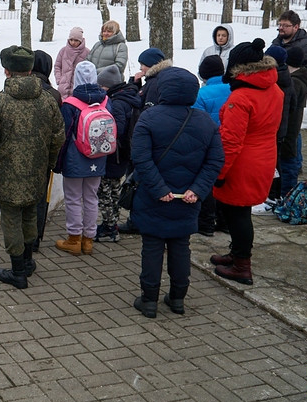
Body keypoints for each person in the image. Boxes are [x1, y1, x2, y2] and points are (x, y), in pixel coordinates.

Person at [128, 68, 224, 318]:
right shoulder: (206, 122)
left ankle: (149, 300)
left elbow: (141, 159)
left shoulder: (148, 118)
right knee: (181, 247)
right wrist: (198, 190)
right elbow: (215, 161)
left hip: (153, 197)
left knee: (152, 247)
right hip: (187, 199)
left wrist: (159, 189)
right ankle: (178, 298)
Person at [0, 46, 65, 290]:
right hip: (38, 173)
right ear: (29, 69)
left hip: (6, 175)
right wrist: (50, 164)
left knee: (12, 219)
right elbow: (58, 136)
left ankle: (17, 272)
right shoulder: (48, 100)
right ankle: (27, 262)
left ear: (7, 70)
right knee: (30, 214)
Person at [211, 39, 284, 286]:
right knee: (240, 212)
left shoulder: (241, 98)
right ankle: (236, 254)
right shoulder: (275, 90)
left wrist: (220, 171)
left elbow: (230, 141)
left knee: (238, 213)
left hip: (241, 162)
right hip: (264, 157)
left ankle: (242, 266)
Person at [54, 61, 108, 256]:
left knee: (74, 198)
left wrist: (58, 163)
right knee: (92, 198)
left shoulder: (70, 104)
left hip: (75, 159)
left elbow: (64, 136)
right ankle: (88, 241)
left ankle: (74, 239)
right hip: (98, 157)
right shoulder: (105, 101)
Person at [94, 64, 142, 243]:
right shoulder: (129, 96)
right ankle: (112, 223)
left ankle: (109, 228)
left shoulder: (117, 102)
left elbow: (118, 128)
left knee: (105, 191)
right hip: (124, 153)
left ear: (108, 86)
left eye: (102, 86)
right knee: (114, 188)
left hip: (114, 153)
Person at [192, 55, 230, 236]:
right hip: (230, 142)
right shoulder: (233, 89)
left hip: (208, 143)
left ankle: (205, 224)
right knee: (225, 182)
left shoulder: (201, 94)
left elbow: (197, 123)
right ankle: (224, 222)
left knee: (207, 182)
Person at [30, 50, 61, 251]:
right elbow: (59, 130)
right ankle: (35, 238)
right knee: (40, 199)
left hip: (19, 153)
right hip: (43, 157)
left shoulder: (18, 88)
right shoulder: (54, 94)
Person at [265, 45, 297, 202]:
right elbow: (293, 106)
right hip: (281, 128)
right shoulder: (288, 78)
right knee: (276, 162)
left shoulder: (273, 79)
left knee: (271, 164)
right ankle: (276, 195)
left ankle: (271, 196)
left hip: (271, 127)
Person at [281, 47, 307, 195]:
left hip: (289, 128)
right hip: (292, 128)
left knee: (287, 163)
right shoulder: (301, 79)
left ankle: (286, 196)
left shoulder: (294, 82)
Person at [271, 10, 307, 91]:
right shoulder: (276, 43)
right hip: (273, 92)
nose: (281, 28)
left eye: (285, 25)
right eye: (280, 25)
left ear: (296, 27)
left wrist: (297, 90)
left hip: (291, 97)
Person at [54, 27, 90, 99]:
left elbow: (89, 71)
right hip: (63, 88)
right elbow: (57, 66)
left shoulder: (87, 53)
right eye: (71, 40)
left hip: (78, 89)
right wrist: (59, 80)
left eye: (76, 40)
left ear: (81, 40)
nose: (73, 42)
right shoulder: (63, 51)